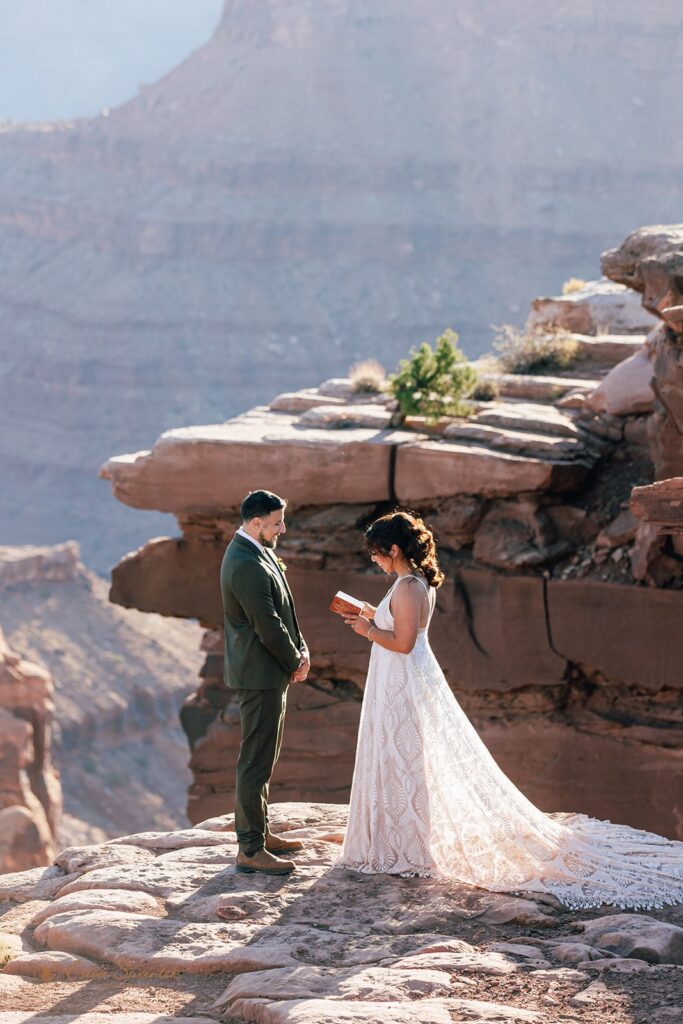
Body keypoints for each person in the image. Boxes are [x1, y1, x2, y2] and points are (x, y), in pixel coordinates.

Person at [340, 509, 683, 910]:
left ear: (394, 549)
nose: (374, 560)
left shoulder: (408, 587)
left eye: (377, 553)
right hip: (400, 680)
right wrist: (369, 612)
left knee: (404, 757)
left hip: (402, 682)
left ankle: (405, 844)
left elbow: (403, 643)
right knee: (401, 757)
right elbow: (401, 628)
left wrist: (368, 631)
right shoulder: (410, 583)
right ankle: (400, 838)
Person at [220, 489, 309, 875]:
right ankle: (250, 849)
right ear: (256, 523)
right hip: (259, 674)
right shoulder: (244, 563)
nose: (282, 529)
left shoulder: (259, 551)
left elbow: (284, 606)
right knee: (254, 760)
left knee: (264, 756)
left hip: (269, 671)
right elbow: (266, 625)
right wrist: (294, 660)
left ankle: (261, 830)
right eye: (276, 523)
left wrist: (301, 648)